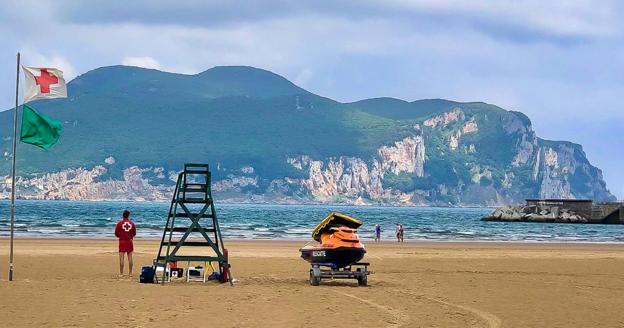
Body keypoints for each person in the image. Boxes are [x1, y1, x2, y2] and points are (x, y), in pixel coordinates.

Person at [115, 210, 136, 276]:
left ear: (123, 215)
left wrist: (120, 236)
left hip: (122, 241)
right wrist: (130, 236)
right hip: (129, 241)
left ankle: (121, 273)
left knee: (121, 258)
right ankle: (130, 273)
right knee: (130, 257)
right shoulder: (132, 223)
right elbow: (134, 233)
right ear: (128, 215)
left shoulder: (119, 223)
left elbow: (116, 233)